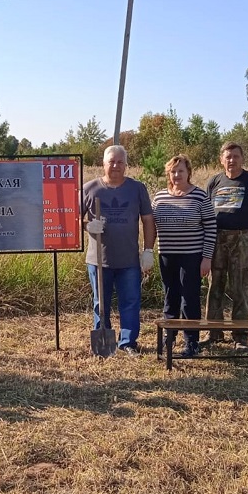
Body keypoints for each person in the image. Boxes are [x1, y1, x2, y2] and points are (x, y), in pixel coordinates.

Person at [83, 145, 156, 355]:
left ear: (126, 165)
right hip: (99, 260)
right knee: (100, 303)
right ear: (103, 164)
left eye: (120, 162)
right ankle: (103, 342)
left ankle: (128, 342)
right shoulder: (90, 189)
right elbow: (73, 217)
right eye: (111, 161)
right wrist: (87, 225)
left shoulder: (137, 189)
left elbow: (148, 220)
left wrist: (148, 250)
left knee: (130, 302)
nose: (115, 166)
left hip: (129, 260)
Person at [203, 142, 248, 349]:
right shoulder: (214, 181)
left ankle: (241, 337)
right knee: (215, 286)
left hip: (243, 241)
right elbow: (206, 214)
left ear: (242, 159)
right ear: (221, 160)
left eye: (236, 156)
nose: (232, 160)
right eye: (228, 157)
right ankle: (213, 334)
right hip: (216, 239)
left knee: (240, 288)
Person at [152, 155, 217, 358]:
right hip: (166, 256)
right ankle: (169, 337)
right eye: (173, 171)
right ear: (168, 174)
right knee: (170, 297)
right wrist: (146, 251)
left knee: (189, 299)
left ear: (189, 172)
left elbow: (211, 227)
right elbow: (151, 226)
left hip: (192, 256)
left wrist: (207, 259)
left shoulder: (199, 196)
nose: (177, 175)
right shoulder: (160, 197)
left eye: (181, 171)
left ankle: (192, 342)